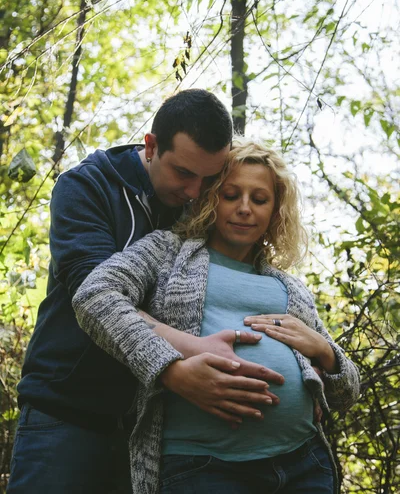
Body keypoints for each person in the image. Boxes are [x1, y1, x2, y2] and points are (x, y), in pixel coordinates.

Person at [7, 91, 284, 494]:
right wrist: (185, 357)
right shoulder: (87, 187)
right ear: (151, 146)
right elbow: (97, 297)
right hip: (66, 413)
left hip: (148, 432)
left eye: (210, 179)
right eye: (184, 173)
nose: (195, 192)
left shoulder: (199, 204)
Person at [73, 140, 360, 494]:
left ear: (274, 211)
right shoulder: (167, 251)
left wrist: (327, 353)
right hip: (202, 466)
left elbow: (346, 394)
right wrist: (166, 368)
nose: (244, 208)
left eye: (259, 199)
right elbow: (94, 295)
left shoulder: (289, 287)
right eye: (231, 195)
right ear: (210, 197)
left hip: (303, 464)